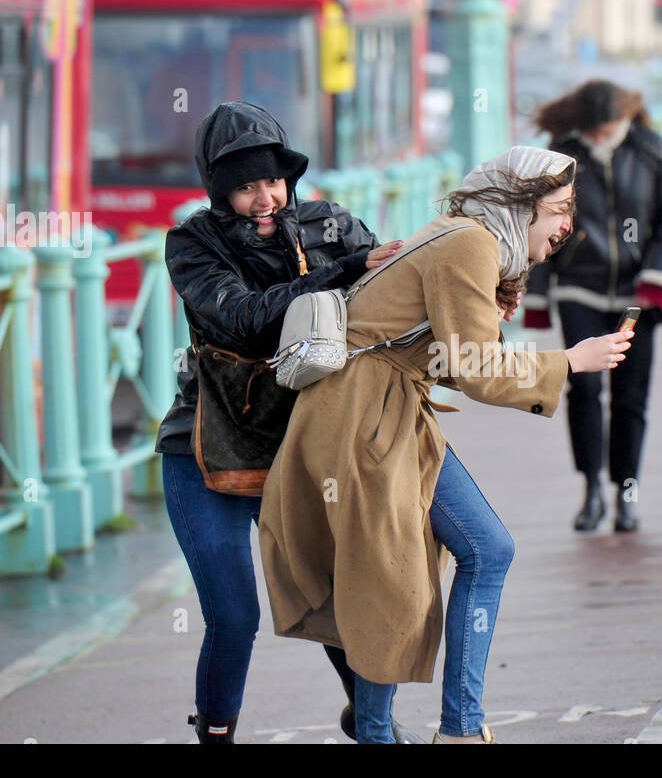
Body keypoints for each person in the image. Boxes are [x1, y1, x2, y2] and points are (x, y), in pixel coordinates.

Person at [257, 147, 633, 743]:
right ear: (517, 206)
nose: (566, 225)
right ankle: (389, 734)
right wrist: (570, 361)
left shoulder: (466, 238)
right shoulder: (470, 245)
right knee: (388, 581)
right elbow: (478, 371)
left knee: (480, 550)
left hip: (385, 409)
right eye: (557, 210)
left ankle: (459, 729)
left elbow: (449, 359)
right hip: (358, 419)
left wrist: (496, 316)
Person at [155, 101, 414, 743]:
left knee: (333, 594)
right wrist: (343, 273)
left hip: (301, 445)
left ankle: (371, 722)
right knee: (235, 615)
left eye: (273, 181)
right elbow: (244, 317)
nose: (265, 198)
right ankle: (216, 733)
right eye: (245, 187)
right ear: (219, 192)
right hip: (205, 451)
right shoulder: (192, 244)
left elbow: (398, 286)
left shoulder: (329, 225)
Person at [523, 80, 662, 533]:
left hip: (638, 295)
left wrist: (658, 274)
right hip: (580, 287)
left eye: (607, 130)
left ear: (624, 119)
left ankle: (626, 494)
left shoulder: (651, 148)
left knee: (631, 396)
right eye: (591, 131)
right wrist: (537, 294)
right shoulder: (563, 155)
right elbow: (543, 222)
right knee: (584, 391)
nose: (599, 139)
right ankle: (592, 489)